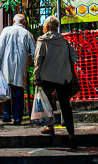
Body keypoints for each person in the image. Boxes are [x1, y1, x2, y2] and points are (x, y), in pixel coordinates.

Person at [33, 15, 78, 148]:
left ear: (46, 27)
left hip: (47, 78)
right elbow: (74, 57)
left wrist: (37, 76)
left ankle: (50, 127)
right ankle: (71, 135)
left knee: (48, 105)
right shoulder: (64, 41)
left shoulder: (42, 40)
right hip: (63, 78)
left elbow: (38, 60)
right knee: (65, 106)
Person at [0, 13, 35, 125]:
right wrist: (31, 63)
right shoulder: (28, 34)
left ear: (13, 21)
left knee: (5, 90)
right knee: (18, 91)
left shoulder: (6, 31)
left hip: (6, 66)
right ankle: (17, 118)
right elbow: (34, 52)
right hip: (21, 67)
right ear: (24, 23)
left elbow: (0, 48)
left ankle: (6, 116)